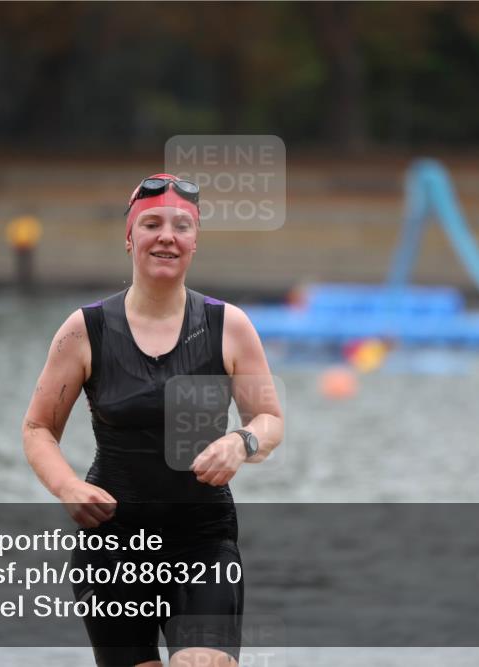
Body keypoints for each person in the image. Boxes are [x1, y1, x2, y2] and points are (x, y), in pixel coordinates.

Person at [22, 173, 284, 667]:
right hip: (114, 545)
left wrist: (241, 441)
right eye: (152, 224)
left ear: (194, 242)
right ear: (129, 238)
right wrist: (66, 487)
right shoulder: (85, 331)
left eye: (182, 226)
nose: (167, 235)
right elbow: (38, 428)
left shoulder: (229, 326)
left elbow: (269, 418)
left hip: (202, 541)